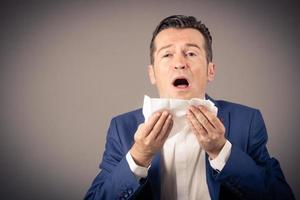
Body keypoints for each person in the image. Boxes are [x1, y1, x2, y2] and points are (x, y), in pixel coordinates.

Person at [84, 15, 295, 200]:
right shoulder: (122, 128)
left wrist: (222, 151)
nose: (179, 63)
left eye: (191, 54)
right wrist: (138, 156)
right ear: (152, 74)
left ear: (210, 71)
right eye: (167, 54)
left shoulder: (247, 122)